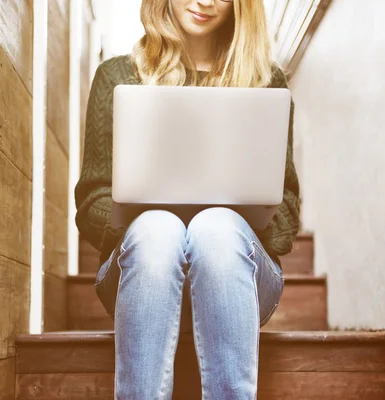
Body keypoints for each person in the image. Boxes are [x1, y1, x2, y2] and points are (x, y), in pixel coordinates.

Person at [74, 0, 300, 398]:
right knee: (159, 230)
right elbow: (92, 202)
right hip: (144, 269)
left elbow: (284, 213)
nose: (206, 1)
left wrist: (217, 219)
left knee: (214, 231)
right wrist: (158, 218)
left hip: (237, 275)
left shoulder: (268, 82)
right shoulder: (117, 77)